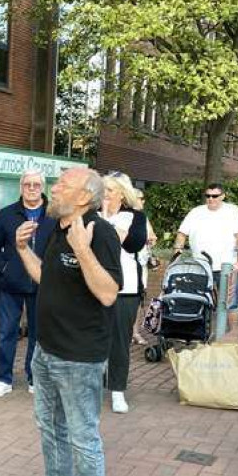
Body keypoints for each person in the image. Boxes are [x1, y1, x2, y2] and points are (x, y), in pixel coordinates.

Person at [11, 167, 121, 476]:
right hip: (46, 349)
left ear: (84, 197)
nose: (53, 189)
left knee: (81, 435)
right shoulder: (55, 228)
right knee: (49, 425)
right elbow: (47, 277)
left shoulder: (99, 232)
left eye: (62, 184)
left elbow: (108, 293)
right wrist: (23, 249)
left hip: (79, 355)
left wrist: (84, 250)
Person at [0, 170, 56, 398]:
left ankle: (34, 377)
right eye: (28, 184)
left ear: (43, 187)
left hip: (43, 284)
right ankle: (3, 378)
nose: (32, 188)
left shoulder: (54, 215)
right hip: (11, 284)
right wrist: (4, 268)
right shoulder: (7, 214)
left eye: (37, 184)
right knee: (7, 332)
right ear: (21, 187)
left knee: (39, 334)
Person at [100, 173, 148, 414]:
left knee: (119, 342)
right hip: (93, 286)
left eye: (110, 190)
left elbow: (117, 241)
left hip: (125, 288)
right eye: (103, 190)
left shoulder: (134, 217)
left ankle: (117, 390)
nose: (105, 194)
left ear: (122, 193)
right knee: (92, 338)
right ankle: (92, 386)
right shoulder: (91, 214)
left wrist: (106, 218)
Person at [173, 182, 238, 330]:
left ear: (223, 196)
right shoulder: (196, 212)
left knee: (230, 302)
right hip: (201, 266)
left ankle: (231, 336)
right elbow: (181, 235)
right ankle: (199, 334)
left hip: (227, 266)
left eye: (215, 196)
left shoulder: (233, 211)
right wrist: (176, 257)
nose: (211, 199)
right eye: (208, 196)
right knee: (198, 300)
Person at [132, 189, 158, 345]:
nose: (141, 202)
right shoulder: (123, 217)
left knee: (139, 300)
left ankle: (135, 332)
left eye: (142, 199)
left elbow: (152, 235)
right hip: (126, 265)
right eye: (138, 199)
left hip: (141, 264)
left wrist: (152, 239)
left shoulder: (143, 218)